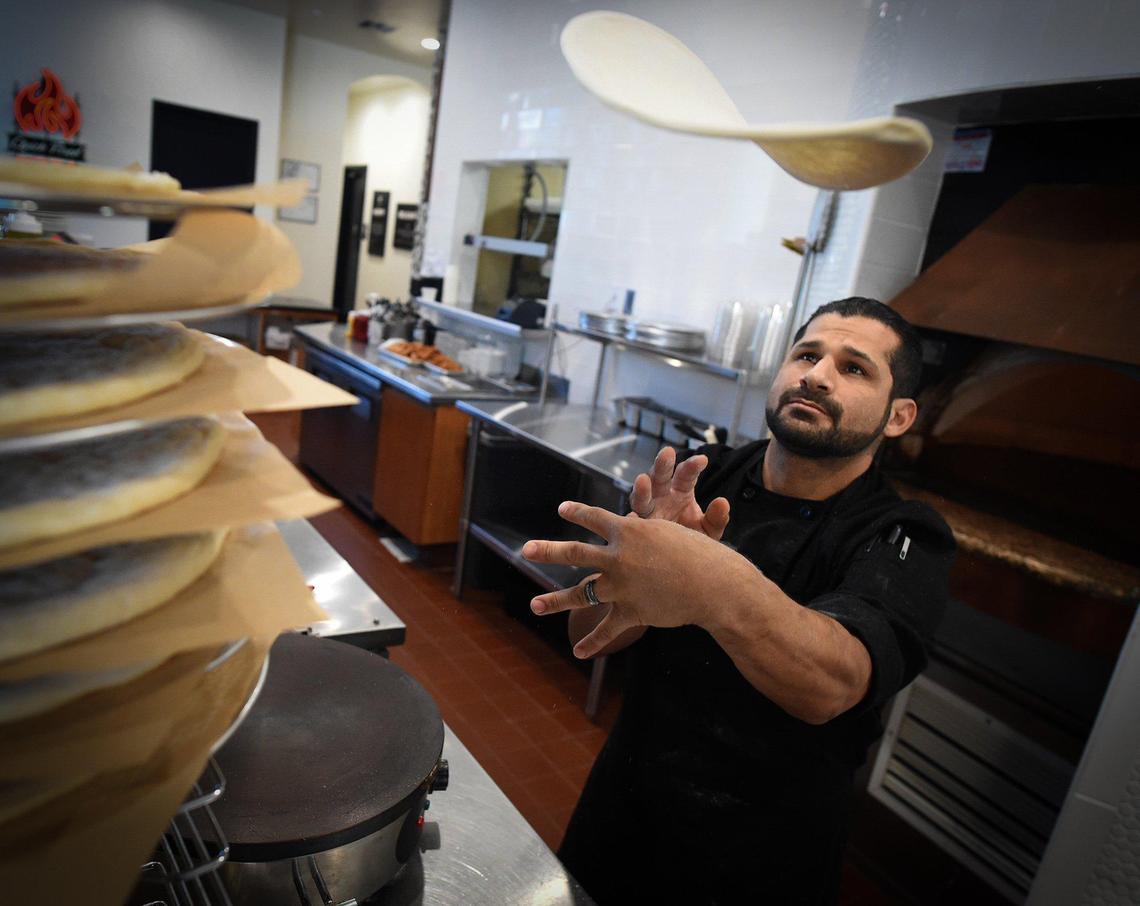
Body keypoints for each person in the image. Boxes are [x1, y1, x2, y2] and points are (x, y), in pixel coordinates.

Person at [521, 297, 955, 905]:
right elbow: (591, 638)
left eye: (855, 368)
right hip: (626, 806)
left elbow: (832, 685)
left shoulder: (901, 535)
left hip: (761, 856)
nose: (817, 374)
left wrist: (707, 581)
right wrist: (628, 586)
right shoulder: (707, 477)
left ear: (898, 416)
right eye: (807, 354)